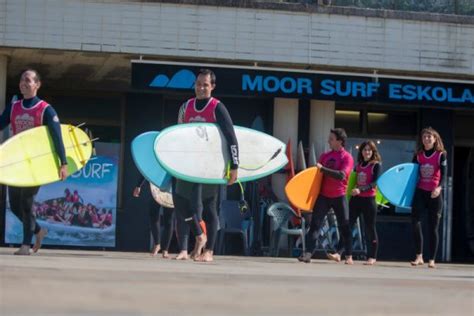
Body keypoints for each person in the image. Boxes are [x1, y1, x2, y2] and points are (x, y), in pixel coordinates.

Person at [173, 68, 239, 262]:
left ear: (213, 87)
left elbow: (231, 137)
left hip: (211, 165)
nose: (201, 88)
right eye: (198, 84)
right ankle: (198, 236)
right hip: (189, 165)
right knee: (180, 201)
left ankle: (209, 251)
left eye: (205, 85)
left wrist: (234, 166)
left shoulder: (217, 107)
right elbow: (178, 137)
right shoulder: (186, 107)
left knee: (209, 207)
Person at [0, 69, 68, 255]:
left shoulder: (46, 109)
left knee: (27, 203)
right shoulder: (14, 106)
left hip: (36, 163)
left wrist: (63, 163)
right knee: (14, 205)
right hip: (17, 162)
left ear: (37, 85)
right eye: (22, 79)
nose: (23, 82)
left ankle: (25, 245)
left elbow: (57, 137)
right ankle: (39, 231)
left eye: (28, 80)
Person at [298, 128, 354, 264]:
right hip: (323, 195)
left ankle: (348, 255)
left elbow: (341, 175)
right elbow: (316, 177)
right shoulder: (325, 156)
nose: (328, 141)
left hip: (339, 195)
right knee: (315, 225)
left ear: (340, 141)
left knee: (344, 225)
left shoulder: (347, 157)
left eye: (332, 139)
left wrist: (323, 169)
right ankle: (308, 254)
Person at [329, 140, 382, 265]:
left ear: (373, 152)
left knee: (370, 229)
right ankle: (340, 253)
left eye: (369, 150)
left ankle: (372, 256)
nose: (367, 152)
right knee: (347, 226)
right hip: (356, 199)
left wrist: (360, 189)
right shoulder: (358, 166)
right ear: (361, 152)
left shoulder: (376, 165)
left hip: (369, 200)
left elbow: (374, 183)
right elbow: (351, 181)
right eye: (364, 150)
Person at [411, 127, 447, 269]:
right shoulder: (418, 155)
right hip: (420, 192)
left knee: (433, 228)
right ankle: (419, 256)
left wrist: (439, 188)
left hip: (434, 194)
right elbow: (411, 175)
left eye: (429, 137)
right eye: (424, 137)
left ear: (435, 139)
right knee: (415, 223)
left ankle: (431, 259)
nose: (426, 139)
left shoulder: (440, 155)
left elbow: (444, 175)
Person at [133, 176, 174, 258]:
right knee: (153, 215)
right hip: (156, 187)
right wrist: (138, 185)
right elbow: (147, 169)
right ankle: (157, 244)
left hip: (170, 188)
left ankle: (165, 249)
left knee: (169, 219)